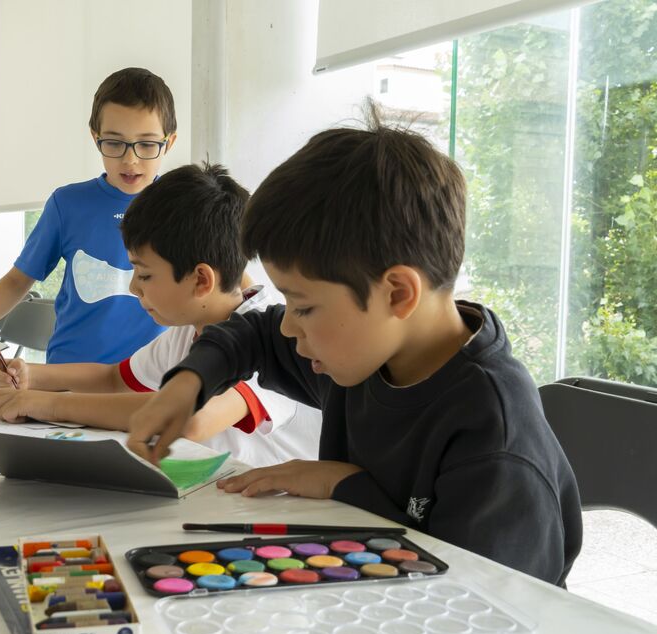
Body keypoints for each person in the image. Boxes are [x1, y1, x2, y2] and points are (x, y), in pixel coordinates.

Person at [124, 109, 582, 585]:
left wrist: (343, 484)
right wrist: (190, 382)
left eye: (303, 307)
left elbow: (475, 594)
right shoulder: (366, 350)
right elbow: (253, 333)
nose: (288, 328)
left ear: (397, 293)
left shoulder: (494, 439)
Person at [0, 162, 321, 468]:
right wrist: (30, 375)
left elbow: (192, 420)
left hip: (283, 508)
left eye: (144, 274)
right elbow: (114, 379)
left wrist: (46, 405)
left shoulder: (269, 338)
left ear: (200, 281)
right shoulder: (191, 330)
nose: (134, 287)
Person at [0, 67, 177, 368]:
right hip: (66, 376)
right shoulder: (68, 204)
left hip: (152, 379)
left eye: (147, 144)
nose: (130, 159)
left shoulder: (183, 208)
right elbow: (17, 281)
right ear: (95, 137)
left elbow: (217, 292)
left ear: (169, 142)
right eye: (114, 143)